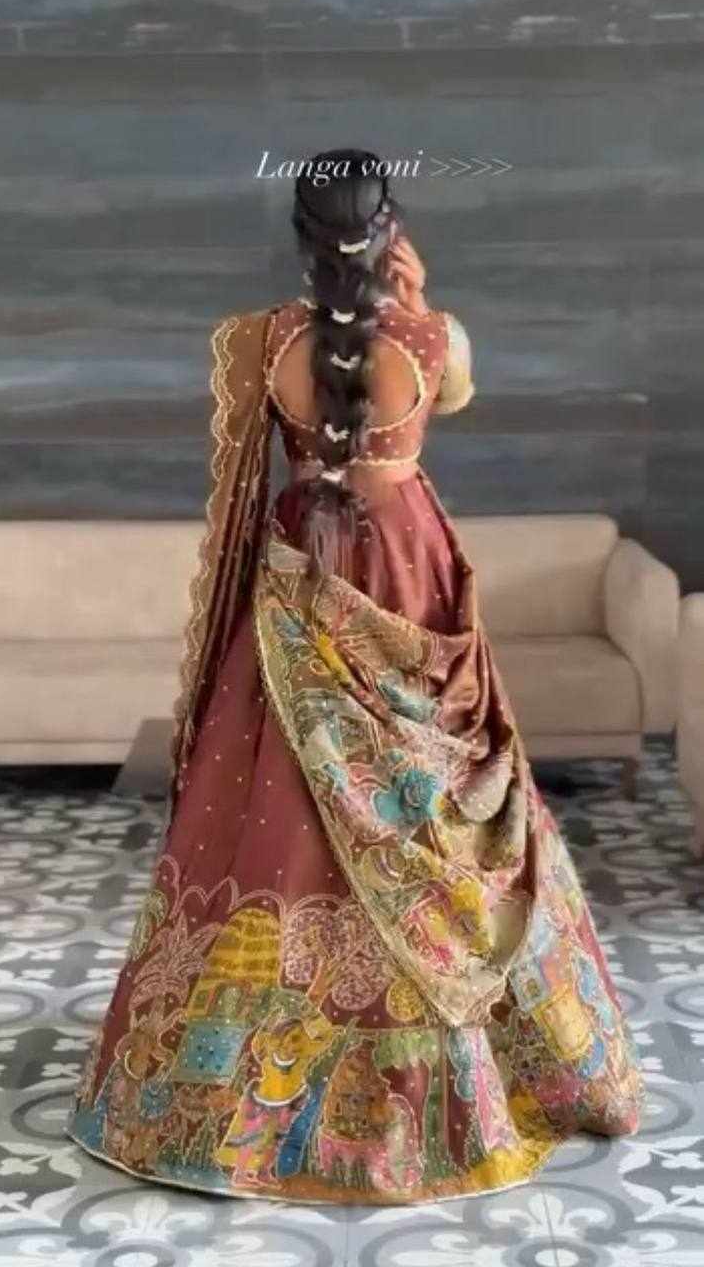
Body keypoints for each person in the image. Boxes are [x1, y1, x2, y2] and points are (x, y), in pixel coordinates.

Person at [66, 147, 644, 1205]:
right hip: (406, 562)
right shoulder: (433, 339)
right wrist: (413, 302)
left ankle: (230, 1086)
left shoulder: (267, 339)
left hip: (306, 565)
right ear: (390, 231)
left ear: (301, 234)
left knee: (275, 794)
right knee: (435, 796)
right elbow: (451, 398)